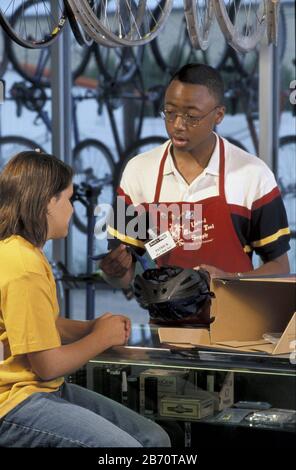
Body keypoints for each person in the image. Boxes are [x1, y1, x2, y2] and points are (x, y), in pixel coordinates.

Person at [0, 151, 170, 448]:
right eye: (67, 199)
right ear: (46, 203)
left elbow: (36, 325)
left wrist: (89, 327)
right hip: (15, 399)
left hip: (40, 389)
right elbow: (48, 366)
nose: (72, 210)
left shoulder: (22, 252)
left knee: (154, 438)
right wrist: (100, 339)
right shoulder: (23, 266)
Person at [101, 63, 290, 288]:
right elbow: (123, 275)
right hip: (165, 320)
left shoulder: (253, 175)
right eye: (170, 113)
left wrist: (228, 280)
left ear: (219, 115)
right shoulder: (138, 172)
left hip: (236, 318)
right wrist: (114, 271)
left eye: (192, 116)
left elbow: (280, 267)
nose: (178, 125)